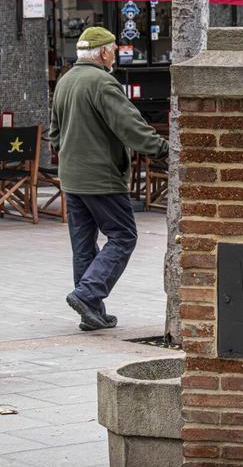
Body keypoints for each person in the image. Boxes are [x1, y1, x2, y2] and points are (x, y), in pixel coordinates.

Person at [48, 27, 169, 332]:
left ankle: (91, 312)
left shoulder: (65, 81)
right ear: (102, 52)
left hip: (72, 178)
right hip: (100, 178)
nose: (115, 54)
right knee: (124, 235)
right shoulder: (103, 82)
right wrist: (164, 151)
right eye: (114, 49)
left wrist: (70, 158)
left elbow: (54, 135)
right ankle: (88, 295)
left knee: (83, 245)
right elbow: (130, 126)